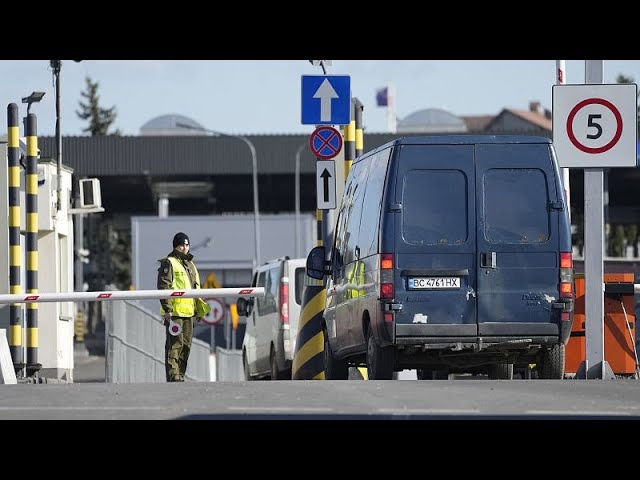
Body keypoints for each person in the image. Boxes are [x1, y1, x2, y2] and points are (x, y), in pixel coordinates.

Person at [157, 232, 203, 382]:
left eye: (187, 244)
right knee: (175, 345)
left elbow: (196, 289)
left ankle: (180, 375)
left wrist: (198, 310)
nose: (184, 248)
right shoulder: (169, 263)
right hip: (175, 313)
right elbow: (164, 287)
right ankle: (174, 376)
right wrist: (167, 310)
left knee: (186, 346)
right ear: (175, 246)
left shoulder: (191, 265)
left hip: (189, 312)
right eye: (181, 245)